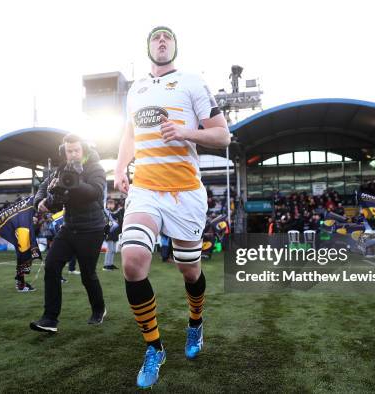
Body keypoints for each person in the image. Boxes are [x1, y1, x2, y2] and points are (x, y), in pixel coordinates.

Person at [114, 26, 230, 389]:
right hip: (146, 188)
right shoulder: (136, 89)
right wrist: (119, 167)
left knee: (188, 270)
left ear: (174, 47)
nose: (161, 42)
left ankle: (195, 323)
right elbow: (130, 133)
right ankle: (155, 347)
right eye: (155, 38)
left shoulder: (192, 82)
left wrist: (185, 132)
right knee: (132, 261)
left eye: (167, 38)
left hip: (185, 193)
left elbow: (222, 135)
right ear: (148, 47)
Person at [30, 133, 108, 332]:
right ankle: (49, 319)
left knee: (88, 275)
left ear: (84, 150)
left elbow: (95, 192)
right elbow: (43, 186)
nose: (72, 154)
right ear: (63, 152)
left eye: (76, 150)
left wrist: (73, 182)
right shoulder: (61, 169)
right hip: (69, 227)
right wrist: (40, 201)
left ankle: (99, 309)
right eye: (68, 151)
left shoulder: (95, 168)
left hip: (92, 229)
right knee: (51, 266)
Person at [103, 199, 122, 271]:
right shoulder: (106, 212)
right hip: (109, 233)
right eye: (110, 204)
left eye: (112, 204)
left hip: (114, 234)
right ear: (107, 205)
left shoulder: (115, 212)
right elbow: (108, 221)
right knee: (109, 250)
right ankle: (106, 265)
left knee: (113, 250)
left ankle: (110, 264)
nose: (111, 205)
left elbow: (116, 216)